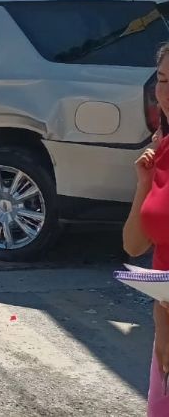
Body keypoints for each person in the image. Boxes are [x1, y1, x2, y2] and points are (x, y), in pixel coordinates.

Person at [124, 43, 169, 416]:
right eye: (163, 79)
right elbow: (135, 245)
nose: (166, 92)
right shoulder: (161, 152)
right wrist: (143, 183)